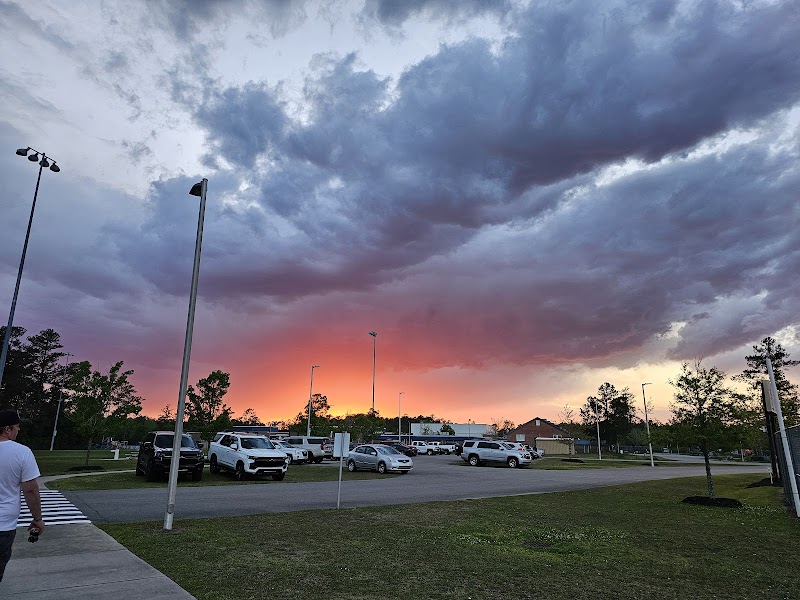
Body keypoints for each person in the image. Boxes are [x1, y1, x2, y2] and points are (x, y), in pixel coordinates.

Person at [0, 409, 44, 582]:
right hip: (3, 525)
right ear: (8, 429)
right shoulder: (22, 452)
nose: (19, 430)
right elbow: (30, 489)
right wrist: (38, 519)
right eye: (17, 427)